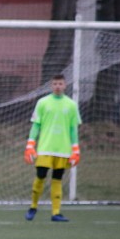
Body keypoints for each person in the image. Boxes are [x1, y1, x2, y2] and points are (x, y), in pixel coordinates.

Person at [23, 73, 82, 222]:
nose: (57, 86)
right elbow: (36, 125)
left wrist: (75, 149)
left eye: (60, 84)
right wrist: (30, 144)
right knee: (40, 177)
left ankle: (56, 212)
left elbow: (73, 129)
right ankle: (33, 207)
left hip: (62, 150)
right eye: (55, 84)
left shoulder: (71, 105)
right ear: (51, 85)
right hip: (44, 148)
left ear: (65, 85)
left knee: (57, 179)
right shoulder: (43, 102)